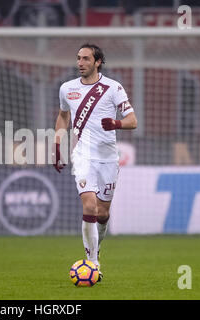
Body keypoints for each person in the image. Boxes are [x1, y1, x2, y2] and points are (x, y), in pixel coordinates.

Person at [53, 44, 137, 281]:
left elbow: (133, 120)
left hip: (108, 157)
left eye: (86, 59)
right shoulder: (67, 89)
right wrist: (58, 144)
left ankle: (96, 249)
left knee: (102, 214)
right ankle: (92, 263)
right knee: (89, 206)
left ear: (98, 62)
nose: (80, 63)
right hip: (82, 155)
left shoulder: (113, 88)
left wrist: (116, 124)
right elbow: (63, 116)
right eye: (78, 58)